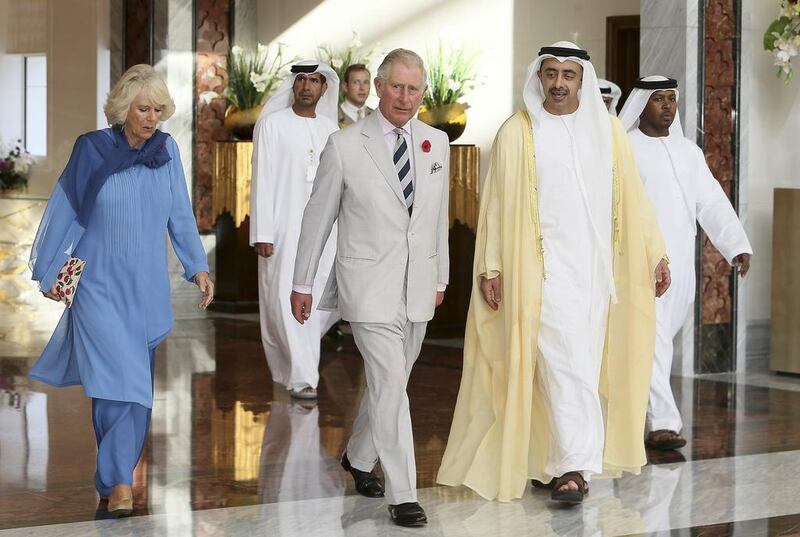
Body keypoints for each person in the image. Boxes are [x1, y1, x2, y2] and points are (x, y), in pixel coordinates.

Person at [436, 42, 670, 504]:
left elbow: (635, 200)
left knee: (574, 365)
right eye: (551, 74)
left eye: (569, 74)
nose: (559, 83)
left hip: (598, 275)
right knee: (563, 363)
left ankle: (549, 458)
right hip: (537, 272)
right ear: (538, 78)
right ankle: (573, 469)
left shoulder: (607, 132)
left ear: (582, 79)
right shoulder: (517, 132)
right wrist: (492, 266)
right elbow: (497, 204)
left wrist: (655, 253)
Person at [28, 64, 213, 516]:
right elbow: (65, 209)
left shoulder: (166, 150)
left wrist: (197, 267)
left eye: (158, 110)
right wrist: (50, 269)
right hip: (97, 285)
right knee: (118, 383)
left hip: (145, 287)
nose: (151, 118)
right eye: (142, 108)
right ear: (123, 107)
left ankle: (111, 476)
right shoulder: (91, 149)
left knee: (132, 387)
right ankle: (120, 481)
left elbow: (180, 214)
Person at [291, 48, 450, 527]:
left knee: (391, 382)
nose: (405, 97)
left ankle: (359, 457)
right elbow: (317, 219)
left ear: (424, 92)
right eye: (396, 87)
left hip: (417, 283)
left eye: (414, 89)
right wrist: (302, 281)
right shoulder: (345, 145)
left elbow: (437, 217)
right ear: (379, 87)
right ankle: (404, 494)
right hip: (366, 284)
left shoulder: (436, 142)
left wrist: (439, 276)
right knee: (390, 384)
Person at [618, 76, 753, 450]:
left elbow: (710, 201)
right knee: (654, 338)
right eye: (657, 99)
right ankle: (663, 423)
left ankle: (620, 413)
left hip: (683, 267)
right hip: (641, 265)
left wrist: (735, 245)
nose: (666, 106)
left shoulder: (688, 151)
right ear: (641, 104)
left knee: (658, 340)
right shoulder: (625, 149)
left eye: (671, 99)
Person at [249, 61, 341, 400]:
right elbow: (262, 178)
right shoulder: (272, 125)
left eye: (314, 80)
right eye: (301, 79)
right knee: (282, 300)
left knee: (324, 301)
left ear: (324, 88)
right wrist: (262, 232)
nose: (306, 86)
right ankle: (304, 376)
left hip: (326, 232)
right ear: (293, 84)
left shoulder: (332, 129)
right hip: (283, 228)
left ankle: (298, 365)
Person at [338, 63, 373, 127]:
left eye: (366, 82)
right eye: (356, 82)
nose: (362, 88)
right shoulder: (334, 116)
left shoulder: (377, 116)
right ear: (345, 86)